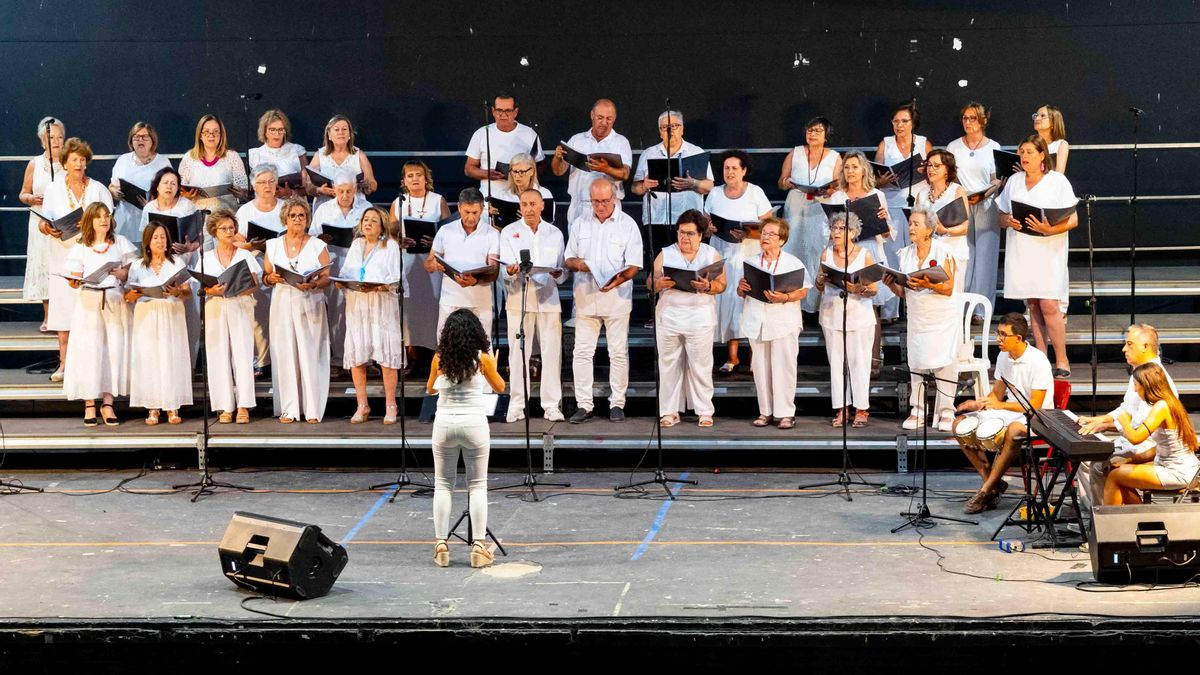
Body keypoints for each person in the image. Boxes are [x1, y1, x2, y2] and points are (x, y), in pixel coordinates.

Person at [427, 309, 507, 569]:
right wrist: (492, 367)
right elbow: (501, 388)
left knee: (442, 484)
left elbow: (430, 389)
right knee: (477, 485)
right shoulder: (482, 358)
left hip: (444, 424)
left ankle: (441, 544)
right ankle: (478, 547)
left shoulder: (439, 358)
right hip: (474, 424)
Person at [954, 312, 1054, 514]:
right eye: (997, 333)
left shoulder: (1038, 360)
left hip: (1038, 417)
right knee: (959, 424)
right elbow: (997, 394)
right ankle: (993, 484)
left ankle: (985, 491)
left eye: (1002, 334)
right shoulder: (1002, 356)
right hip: (1010, 411)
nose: (997, 338)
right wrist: (979, 403)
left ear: (1018, 338)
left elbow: (1034, 405)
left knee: (1014, 430)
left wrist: (999, 406)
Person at [997, 134, 1079, 378]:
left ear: (1042, 155)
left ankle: (1062, 359)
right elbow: (1000, 216)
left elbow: (1072, 218)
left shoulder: (1057, 181)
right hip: (1022, 248)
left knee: (1049, 304)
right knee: (1032, 304)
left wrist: (1049, 229)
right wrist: (1008, 221)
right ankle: (1041, 359)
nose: (1024, 157)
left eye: (1030, 152)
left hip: (1048, 249)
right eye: (1022, 152)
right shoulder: (1013, 181)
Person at [565, 179, 643, 423]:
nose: (599, 206)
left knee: (618, 352)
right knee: (582, 352)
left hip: (616, 298)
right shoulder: (580, 223)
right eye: (595, 201)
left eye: (604, 201)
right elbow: (569, 258)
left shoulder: (627, 225)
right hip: (586, 297)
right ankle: (584, 404)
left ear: (615, 198)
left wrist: (616, 281)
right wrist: (580, 264)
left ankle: (617, 403)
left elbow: (634, 265)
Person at [1076, 324, 1178, 507]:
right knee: (1084, 457)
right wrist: (1099, 420)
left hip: (1145, 448)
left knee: (1096, 464)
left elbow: (1138, 428)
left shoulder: (1154, 379)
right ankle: (1092, 515)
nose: (1124, 349)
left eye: (1129, 344)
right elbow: (1126, 409)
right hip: (1130, 441)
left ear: (1146, 346)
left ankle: (1098, 518)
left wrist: (1106, 425)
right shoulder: (1140, 372)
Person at [40, 137, 114, 383]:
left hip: (91, 257)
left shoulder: (98, 188)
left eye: (82, 160)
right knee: (63, 314)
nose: (79, 164)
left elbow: (110, 220)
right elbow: (45, 220)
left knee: (91, 314)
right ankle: (64, 364)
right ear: (65, 162)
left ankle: (94, 367)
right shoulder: (53, 189)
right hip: (63, 256)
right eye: (74, 160)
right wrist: (46, 227)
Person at [883, 210, 960, 432]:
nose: (911, 228)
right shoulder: (905, 254)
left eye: (916, 224)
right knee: (916, 362)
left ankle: (946, 410)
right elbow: (903, 292)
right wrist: (891, 284)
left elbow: (948, 288)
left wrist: (928, 285)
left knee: (944, 363)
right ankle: (918, 409)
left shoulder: (943, 251)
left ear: (929, 229)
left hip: (941, 316)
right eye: (910, 223)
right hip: (918, 316)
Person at [62, 203, 136, 426]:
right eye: (99, 217)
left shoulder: (120, 243)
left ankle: (108, 402)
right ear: (90, 221)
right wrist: (76, 281)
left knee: (112, 351)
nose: (104, 220)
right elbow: (74, 279)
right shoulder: (81, 247)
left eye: (107, 216)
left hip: (113, 301)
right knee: (90, 353)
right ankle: (89, 404)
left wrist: (123, 273)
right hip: (89, 303)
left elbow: (133, 272)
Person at [649, 210, 724, 428]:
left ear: (701, 235)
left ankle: (704, 411)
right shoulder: (665, 253)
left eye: (690, 234)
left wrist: (708, 286)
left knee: (700, 365)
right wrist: (658, 284)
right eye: (681, 233)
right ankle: (670, 411)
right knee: (669, 364)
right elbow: (650, 281)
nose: (685, 238)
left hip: (699, 317)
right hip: (669, 316)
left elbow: (722, 285)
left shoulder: (711, 255)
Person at [262, 197, 331, 423]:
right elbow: (267, 276)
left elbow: (326, 278)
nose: (297, 219)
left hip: (309, 301)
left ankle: (312, 408)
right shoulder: (273, 245)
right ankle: (290, 408)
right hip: (282, 301)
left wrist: (312, 284)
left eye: (302, 215)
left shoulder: (318, 245)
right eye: (293, 216)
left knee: (310, 353)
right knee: (285, 353)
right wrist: (271, 277)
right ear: (285, 218)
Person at [499, 189, 566, 423]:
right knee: (518, 354)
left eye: (532, 204)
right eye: (524, 204)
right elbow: (504, 269)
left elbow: (562, 272)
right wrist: (509, 271)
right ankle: (517, 404)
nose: (528, 208)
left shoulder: (554, 233)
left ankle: (551, 405)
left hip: (548, 298)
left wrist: (558, 273)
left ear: (541, 206)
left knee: (551, 353)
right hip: (520, 297)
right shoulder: (510, 232)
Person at [737, 217, 810, 429]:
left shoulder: (792, 262)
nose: (765, 237)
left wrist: (785, 297)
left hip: (783, 321)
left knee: (784, 367)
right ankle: (765, 411)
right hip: (757, 320)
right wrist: (741, 288)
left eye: (771, 234)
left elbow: (803, 290)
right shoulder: (751, 261)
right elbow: (741, 291)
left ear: (782, 240)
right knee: (760, 368)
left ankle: (786, 413)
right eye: (763, 233)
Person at [705, 150, 774, 374]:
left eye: (735, 168)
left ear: (744, 171)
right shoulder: (715, 193)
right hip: (723, 252)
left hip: (748, 254)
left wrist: (748, 233)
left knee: (749, 304)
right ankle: (731, 357)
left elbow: (768, 226)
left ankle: (755, 359)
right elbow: (706, 225)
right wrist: (710, 228)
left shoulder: (755, 192)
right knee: (727, 303)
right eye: (726, 168)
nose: (730, 172)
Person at [337, 206, 404, 424]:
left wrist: (378, 287)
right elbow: (347, 272)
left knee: (386, 355)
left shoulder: (391, 246)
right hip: (358, 305)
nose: (368, 224)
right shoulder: (357, 245)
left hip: (381, 306)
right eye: (366, 220)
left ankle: (391, 405)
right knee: (357, 355)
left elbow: (397, 279)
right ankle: (362, 404)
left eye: (373, 221)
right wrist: (342, 283)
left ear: (382, 226)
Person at [827, 151, 891, 373]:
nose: (850, 171)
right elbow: (827, 230)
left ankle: (873, 357)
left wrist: (883, 221)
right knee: (846, 304)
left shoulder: (876, 195)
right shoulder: (837, 197)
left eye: (855, 167)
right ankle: (846, 361)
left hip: (869, 251)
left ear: (864, 169)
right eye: (847, 167)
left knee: (870, 305)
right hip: (843, 254)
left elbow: (886, 235)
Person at [195, 209, 261, 424]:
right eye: (224, 228)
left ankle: (243, 405)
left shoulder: (244, 255)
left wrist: (235, 289)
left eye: (232, 228)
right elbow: (201, 286)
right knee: (218, 356)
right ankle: (225, 405)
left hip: (239, 305)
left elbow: (254, 284)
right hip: (215, 307)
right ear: (214, 231)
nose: (229, 231)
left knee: (242, 355)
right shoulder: (207, 257)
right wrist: (213, 291)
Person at [124, 223, 193, 425]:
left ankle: (173, 406)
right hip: (147, 315)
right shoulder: (138, 266)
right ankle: (152, 407)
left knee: (171, 357)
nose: (160, 241)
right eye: (155, 237)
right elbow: (128, 296)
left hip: (171, 314)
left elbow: (187, 293)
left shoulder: (176, 262)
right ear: (147, 241)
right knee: (150, 359)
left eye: (163, 237)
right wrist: (134, 294)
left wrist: (177, 292)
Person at [1103, 362, 1199, 506]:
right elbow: (1158, 448)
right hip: (1167, 464)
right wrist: (1128, 461)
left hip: (1178, 471)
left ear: (1146, 385)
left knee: (1115, 477)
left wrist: (1124, 420)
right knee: (1112, 468)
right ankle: (1141, 519)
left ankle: (1109, 525)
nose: (1135, 390)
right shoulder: (1167, 403)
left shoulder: (1162, 406)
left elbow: (1135, 438)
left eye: (1136, 385)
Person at [815, 212, 878, 428]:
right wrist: (821, 280)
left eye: (842, 229)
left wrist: (858, 288)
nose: (836, 232)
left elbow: (873, 290)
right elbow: (819, 285)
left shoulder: (864, 255)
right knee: (837, 364)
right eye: (834, 228)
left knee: (859, 362)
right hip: (832, 314)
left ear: (852, 232)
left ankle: (861, 409)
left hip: (858, 315)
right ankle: (842, 408)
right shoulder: (826, 254)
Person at [874, 101, 932, 320]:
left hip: (918, 205)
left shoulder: (923, 143)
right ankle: (890, 311)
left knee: (918, 256)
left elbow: (935, 172)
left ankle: (918, 308)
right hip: (892, 204)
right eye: (896, 121)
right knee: (892, 256)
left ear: (912, 123)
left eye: (904, 121)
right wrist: (881, 180)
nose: (899, 125)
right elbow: (874, 180)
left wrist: (924, 171)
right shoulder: (885, 144)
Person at [779, 117, 841, 313]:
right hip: (796, 205)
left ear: (826, 135)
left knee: (816, 251)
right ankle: (793, 302)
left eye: (817, 131)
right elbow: (781, 182)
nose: (812, 134)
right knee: (793, 248)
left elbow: (838, 186)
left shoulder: (835, 157)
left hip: (820, 207)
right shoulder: (795, 153)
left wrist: (828, 191)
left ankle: (815, 305)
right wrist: (788, 182)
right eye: (810, 130)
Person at [946, 102, 1003, 314]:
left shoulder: (993, 147)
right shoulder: (953, 146)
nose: (968, 122)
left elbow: (997, 180)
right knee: (963, 254)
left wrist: (985, 194)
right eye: (965, 118)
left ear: (982, 121)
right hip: (961, 204)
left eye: (973, 118)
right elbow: (949, 176)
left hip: (986, 204)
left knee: (986, 258)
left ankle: (981, 310)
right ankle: (962, 307)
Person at [389, 160, 450, 352]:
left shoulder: (437, 200)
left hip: (431, 259)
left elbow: (449, 231)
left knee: (433, 303)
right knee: (409, 306)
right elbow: (391, 233)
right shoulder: (398, 202)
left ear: (426, 178)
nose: (415, 179)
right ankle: (411, 352)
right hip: (407, 258)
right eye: (410, 175)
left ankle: (436, 351)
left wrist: (435, 243)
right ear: (404, 181)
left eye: (419, 175)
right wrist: (399, 240)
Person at [424, 188, 500, 340]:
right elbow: (428, 263)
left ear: (482, 209)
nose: (471, 217)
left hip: (480, 301)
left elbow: (494, 270)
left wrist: (475, 280)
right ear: (459, 207)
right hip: (450, 299)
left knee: (482, 347)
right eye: (466, 212)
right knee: (446, 344)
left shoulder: (492, 233)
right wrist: (435, 266)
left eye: (475, 213)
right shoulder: (445, 230)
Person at [312, 170, 368, 373]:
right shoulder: (323, 210)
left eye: (348, 191)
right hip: (333, 262)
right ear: (334, 190)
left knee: (360, 312)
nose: (344, 196)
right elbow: (311, 237)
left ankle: (362, 360)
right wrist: (321, 239)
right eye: (341, 191)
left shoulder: (365, 208)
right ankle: (337, 359)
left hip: (358, 265)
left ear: (355, 189)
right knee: (336, 312)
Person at [552, 98, 633, 225]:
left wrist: (605, 169)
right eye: (600, 117)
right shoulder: (576, 140)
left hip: (608, 207)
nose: (604, 123)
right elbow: (558, 171)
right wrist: (557, 158)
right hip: (579, 205)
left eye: (609, 118)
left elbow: (625, 174)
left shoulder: (621, 142)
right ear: (592, 115)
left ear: (615, 118)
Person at [235, 165, 284, 375]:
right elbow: (236, 240)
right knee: (259, 315)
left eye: (271, 181)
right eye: (262, 182)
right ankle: (263, 361)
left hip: (281, 265)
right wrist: (251, 245)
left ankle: (283, 359)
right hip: (256, 263)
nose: (267, 186)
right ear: (254, 185)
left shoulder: (285, 207)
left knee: (281, 314)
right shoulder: (245, 210)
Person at [18, 116, 64, 329]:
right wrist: (31, 199)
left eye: (59, 137)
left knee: (61, 266)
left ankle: (63, 316)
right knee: (45, 265)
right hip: (40, 221)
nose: (55, 141)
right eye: (51, 137)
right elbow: (23, 193)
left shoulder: (69, 161)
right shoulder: (34, 163)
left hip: (63, 222)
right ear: (42, 140)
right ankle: (48, 316)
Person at [631, 110, 714, 228]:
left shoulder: (696, 153)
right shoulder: (648, 154)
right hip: (656, 221)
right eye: (665, 127)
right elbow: (635, 188)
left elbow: (709, 187)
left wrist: (693, 184)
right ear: (660, 132)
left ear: (682, 129)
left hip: (689, 224)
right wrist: (644, 185)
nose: (670, 130)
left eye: (675, 126)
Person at [465, 93, 545, 198]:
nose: (503, 114)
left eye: (508, 110)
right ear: (493, 111)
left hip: (521, 198)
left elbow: (540, 165)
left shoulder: (529, 134)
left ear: (515, 112)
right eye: (499, 110)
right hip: (491, 197)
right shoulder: (481, 133)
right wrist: (487, 174)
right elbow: (469, 169)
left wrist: (524, 174)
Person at [914, 150, 970, 293]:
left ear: (947, 169)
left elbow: (964, 228)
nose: (931, 169)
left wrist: (945, 230)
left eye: (936, 166)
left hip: (953, 250)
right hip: (929, 252)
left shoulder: (957, 191)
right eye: (929, 165)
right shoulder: (921, 194)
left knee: (953, 295)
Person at [109, 122, 172, 242]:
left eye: (145, 137)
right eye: (136, 137)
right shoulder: (123, 160)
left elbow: (171, 192)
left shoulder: (163, 163)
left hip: (152, 222)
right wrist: (113, 192)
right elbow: (112, 186)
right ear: (131, 141)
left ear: (152, 140)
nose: (140, 140)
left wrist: (152, 204)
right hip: (124, 222)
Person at [178, 114, 249, 212]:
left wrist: (241, 194)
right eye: (207, 132)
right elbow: (180, 190)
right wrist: (186, 195)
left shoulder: (232, 157)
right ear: (200, 135)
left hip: (225, 218)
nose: (211, 135)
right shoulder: (189, 158)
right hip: (197, 217)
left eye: (216, 132)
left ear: (221, 135)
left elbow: (244, 191)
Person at [308, 114, 377, 211]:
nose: (341, 132)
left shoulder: (359, 155)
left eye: (344, 129)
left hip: (354, 208)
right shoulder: (319, 155)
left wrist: (365, 185)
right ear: (329, 134)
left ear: (350, 134)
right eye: (336, 129)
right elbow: (307, 184)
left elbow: (373, 184)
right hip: (326, 208)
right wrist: (320, 190)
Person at [248, 109, 307, 198]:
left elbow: (308, 187)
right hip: (265, 204)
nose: (277, 134)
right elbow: (250, 189)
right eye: (272, 129)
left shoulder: (297, 150)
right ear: (264, 131)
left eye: (280, 129)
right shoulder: (254, 154)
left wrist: (291, 193)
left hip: (292, 204)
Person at [488, 152, 556, 224]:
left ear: (532, 171)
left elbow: (549, 224)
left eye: (522, 172)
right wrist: (491, 215)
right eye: (514, 171)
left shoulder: (544, 194)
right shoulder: (502, 195)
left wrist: (529, 220)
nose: (517, 176)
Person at [1033, 105, 1070, 174]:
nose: (1037, 118)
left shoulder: (1061, 144)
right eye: (1036, 115)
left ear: (1053, 122)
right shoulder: (1027, 144)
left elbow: (1059, 175)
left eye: (1042, 116)